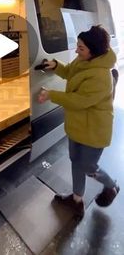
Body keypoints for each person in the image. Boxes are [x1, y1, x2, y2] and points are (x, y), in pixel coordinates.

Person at [37, 25, 119, 218]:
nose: (76, 50)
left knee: (89, 167)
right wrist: (56, 66)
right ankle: (76, 200)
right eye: (78, 46)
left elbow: (79, 101)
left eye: (80, 48)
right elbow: (70, 73)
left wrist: (51, 95)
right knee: (75, 161)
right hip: (78, 125)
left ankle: (111, 185)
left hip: (93, 130)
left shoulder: (101, 76)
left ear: (94, 51)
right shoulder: (85, 59)